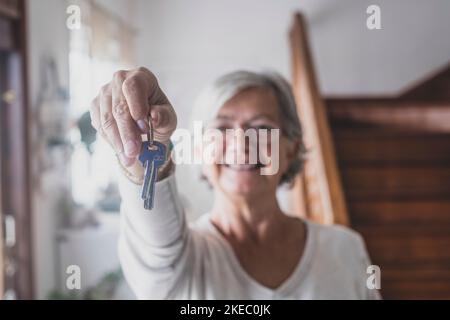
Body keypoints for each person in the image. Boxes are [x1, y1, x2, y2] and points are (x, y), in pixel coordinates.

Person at [89, 67, 380, 299]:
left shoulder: (346, 249)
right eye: (222, 128)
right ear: (200, 149)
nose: (241, 144)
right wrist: (150, 145)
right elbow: (154, 237)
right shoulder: (179, 262)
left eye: (262, 127)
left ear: (291, 148)